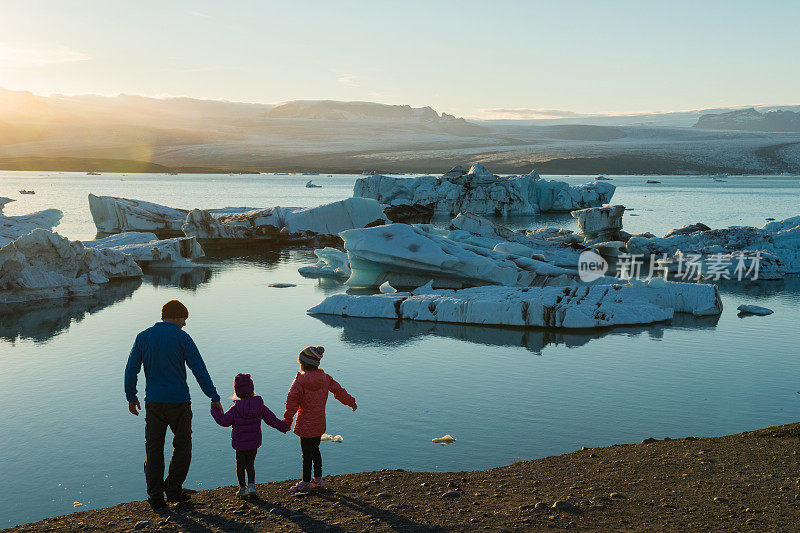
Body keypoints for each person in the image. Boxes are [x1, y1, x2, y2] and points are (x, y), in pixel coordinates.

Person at [124, 299, 223, 509]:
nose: (185, 324)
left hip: (153, 402)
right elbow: (199, 369)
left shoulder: (143, 337)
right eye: (184, 319)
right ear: (177, 316)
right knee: (183, 447)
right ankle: (174, 490)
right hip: (178, 402)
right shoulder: (182, 337)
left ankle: (155, 497)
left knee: (153, 449)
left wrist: (131, 396)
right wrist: (213, 397)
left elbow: (131, 369)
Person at [282, 346, 357, 493]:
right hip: (319, 423)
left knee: (306, 454)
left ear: (303, 364)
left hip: (305, 424)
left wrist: (287, 421)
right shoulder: (325, 378)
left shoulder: (299, 382)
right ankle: (318, 480)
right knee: (315, 450)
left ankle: (305, 483)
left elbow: (291, 402)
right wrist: (351, 402)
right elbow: (339, 391)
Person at [211, 373, 289, 498]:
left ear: (237, 391)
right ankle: (252, 486)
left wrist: (215, 410)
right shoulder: (259, 406)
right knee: (250, 465)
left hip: (240, 444)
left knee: (240, 466)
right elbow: (271, 419)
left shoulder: (235, 409)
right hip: (253, 443)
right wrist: (283, 427)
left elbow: (223, 421)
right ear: (252, 389)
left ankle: (242, 488)